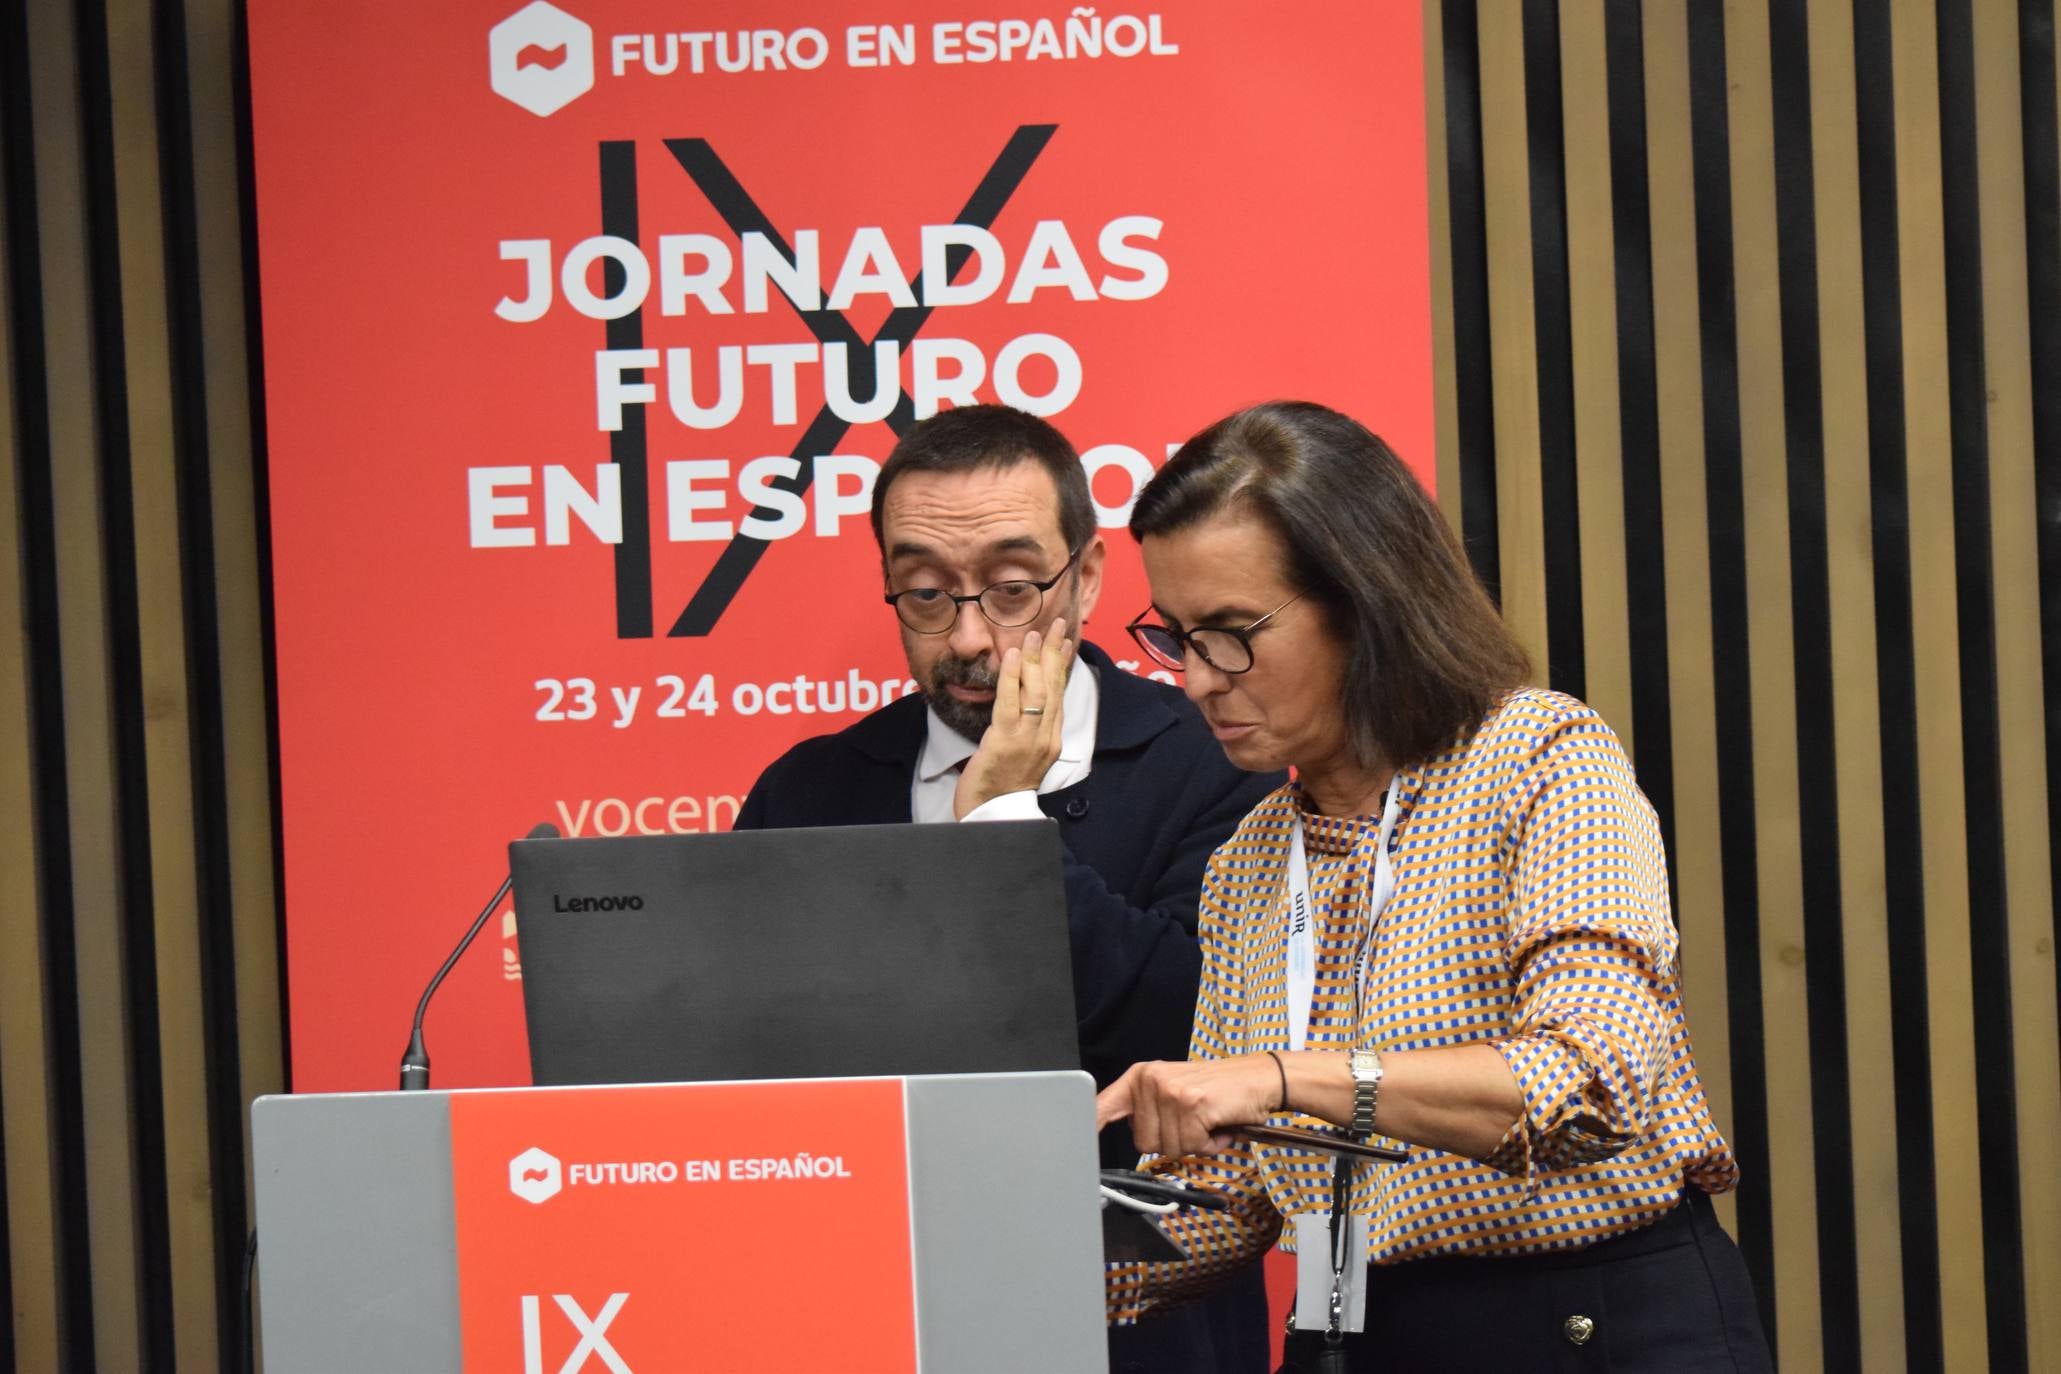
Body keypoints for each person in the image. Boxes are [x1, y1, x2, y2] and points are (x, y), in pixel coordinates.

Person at [1097, 401, 1772, 1372]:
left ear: (1365, 600)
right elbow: (1232, 1193)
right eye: (1178, 637)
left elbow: (1588, 1085)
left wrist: (1289, 1076)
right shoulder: (1250, 857)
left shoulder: (1540, 761)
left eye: (1232, 633)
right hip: (1364, 1330)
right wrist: (1021, 1243)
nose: (1198, 680)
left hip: (1593, 1327)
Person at [734, 404, 1282, 1374]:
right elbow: (747, 1076)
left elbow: (1203, 1031)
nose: (972, 637)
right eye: (926, 594)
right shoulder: (810, 789)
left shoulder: (1213, 758)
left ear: (1091, 576)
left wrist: (1002, 820)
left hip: (1143, 1324)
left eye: (1014, 588)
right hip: (866, 1310)